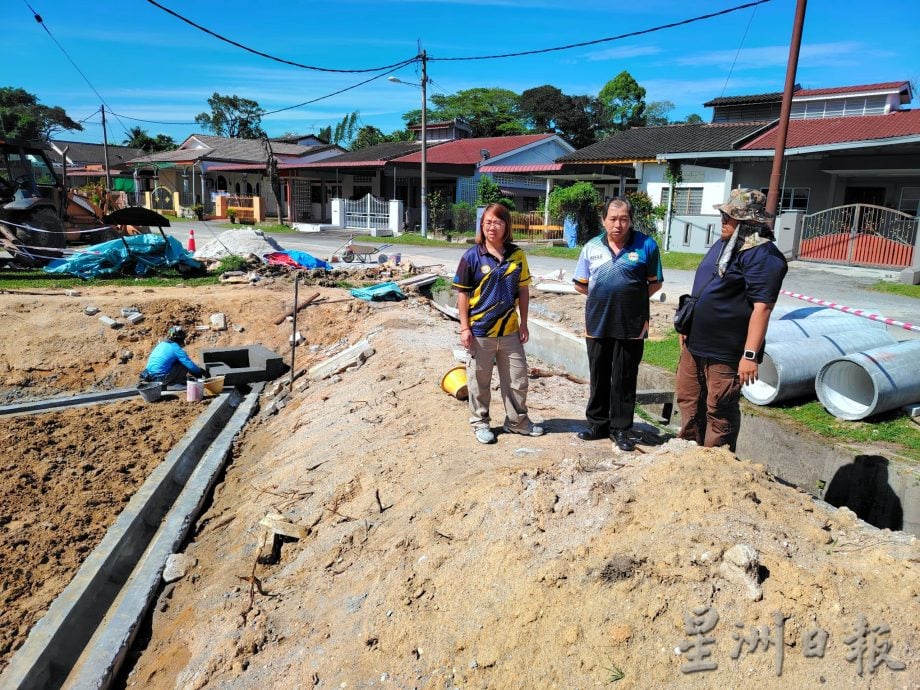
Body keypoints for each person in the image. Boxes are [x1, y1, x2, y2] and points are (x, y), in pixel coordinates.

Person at [676, 188, 788, 452]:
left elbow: (762, 309)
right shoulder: (727, 244)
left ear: (750, 221)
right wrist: (687, 326)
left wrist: (749, 355)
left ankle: (716, 464)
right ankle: (687, 458)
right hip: (696, 344)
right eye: (724, 215)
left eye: (730, 216)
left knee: (719, 408)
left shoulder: (764, 256)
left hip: (726, 351)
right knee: (689, 399)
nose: (723, 221)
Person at [573, 197, 663, 451]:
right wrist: (605, 297)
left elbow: (655, 282)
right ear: (604, 221)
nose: (618, 224)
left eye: (623, 219)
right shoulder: (591, 247)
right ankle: (597, 424)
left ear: (631, 220)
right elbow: (580, 283)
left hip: (631, 324)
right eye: (612, 219)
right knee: (599, 374)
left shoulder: (647, 245)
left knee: (624, 377)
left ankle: (621, 428)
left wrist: (630, 299)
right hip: (598, 321)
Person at [453, 203, 544, 444]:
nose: (492, 227)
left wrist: (524, 323)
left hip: (510, 331)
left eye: (498, 222)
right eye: (488, 222)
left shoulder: (517, 255)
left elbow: (523, 290)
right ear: (482, 225)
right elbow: (462, 294)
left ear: (506, 226)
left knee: (517, 378)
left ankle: (517, 422)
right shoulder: (471, 256)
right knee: (479, 381)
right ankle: (480, 422)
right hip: (480, 331)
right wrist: (465, 327)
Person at [138, 325, 205, 387]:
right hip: (160, 379)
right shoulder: (175, 348)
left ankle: (168, 380)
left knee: (175, 361)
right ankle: (175, 383)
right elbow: (189, 364)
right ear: (180, 338)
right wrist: (200, 372)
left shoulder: (161, 344)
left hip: (149, 376)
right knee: (183, 363)